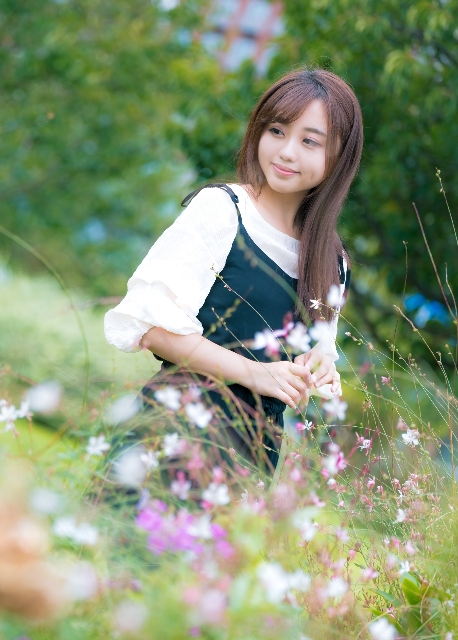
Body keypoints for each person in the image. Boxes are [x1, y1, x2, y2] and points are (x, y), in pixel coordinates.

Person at [104, 68, 362, 475]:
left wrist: (318, 368)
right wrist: (254, 373)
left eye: (309, 141)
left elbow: (314, 354)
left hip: (254, 457)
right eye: (277, 131)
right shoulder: (222, 211)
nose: (286, 151)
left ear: (339, 156)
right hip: (173, 431)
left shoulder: (333, 262)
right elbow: (150, 326)